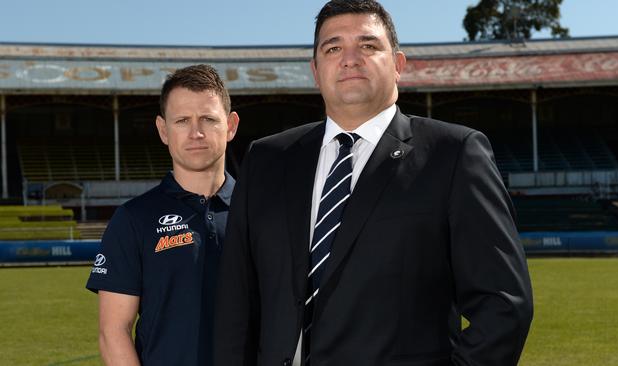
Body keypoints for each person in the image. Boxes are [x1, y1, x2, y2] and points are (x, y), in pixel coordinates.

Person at [214, 1, 533, 365]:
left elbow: (504, 304)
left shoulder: (454, 154)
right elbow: (236, 306)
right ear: (316, 71)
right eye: (333, 48)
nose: (349, 59)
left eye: (367, 45)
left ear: (398, 64)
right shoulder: (266, 159)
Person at [86, 64, 239, 365]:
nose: (196, 133)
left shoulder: (260, 212)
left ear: (231, 126)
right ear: (163, 130)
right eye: (182, 121)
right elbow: (113, 331)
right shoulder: (133, 219)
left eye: (208, 119)